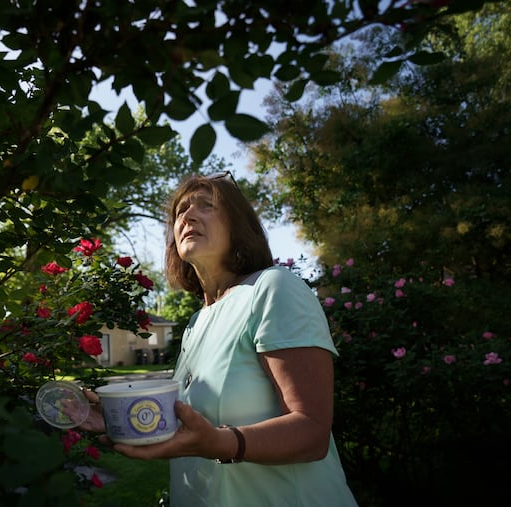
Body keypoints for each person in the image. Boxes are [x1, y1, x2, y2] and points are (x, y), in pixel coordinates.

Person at [80, 172, 358, 506]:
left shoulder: (273, 288)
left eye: (206, 206)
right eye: (181, 211)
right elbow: (189, 423)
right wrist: (119, 416)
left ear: (240, 226)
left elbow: (311, 433)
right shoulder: (197, 322)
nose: (188, 216)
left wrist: (221, 444)